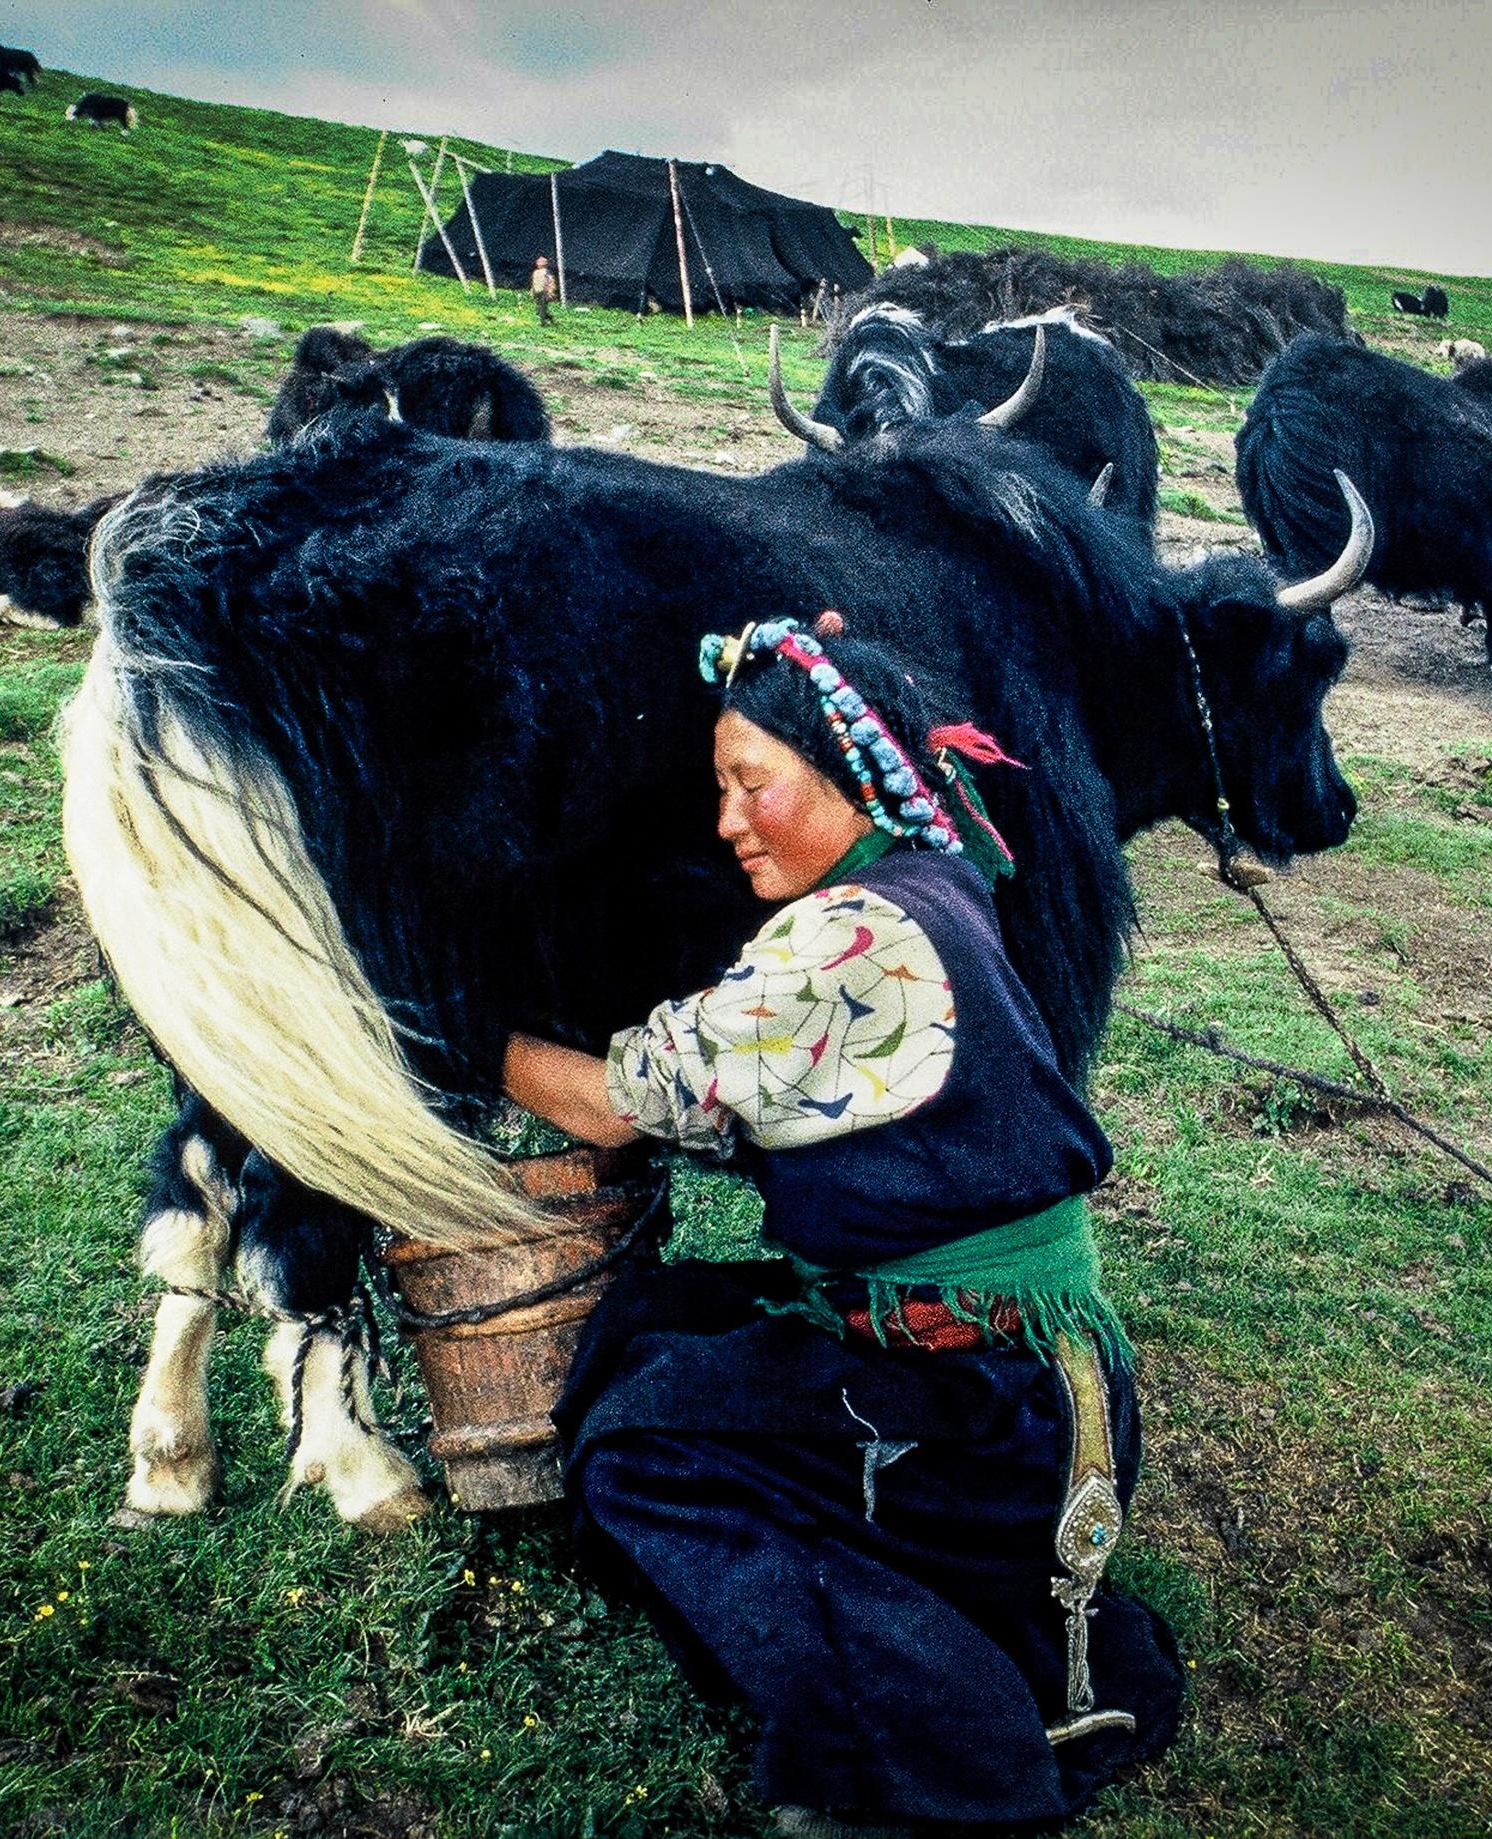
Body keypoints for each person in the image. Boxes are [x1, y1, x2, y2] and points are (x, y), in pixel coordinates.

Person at [503, 615, 1185, 1834]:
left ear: (851, 774)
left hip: (987, 1416)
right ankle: (932, 1591)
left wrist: (456, 1032)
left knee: (638, 1452)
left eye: (751, 783)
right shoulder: (931, 884)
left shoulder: (853, 939)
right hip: (1029, 1377)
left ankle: (929, 1746)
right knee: (660, 1323)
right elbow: (758, 1094)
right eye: (720, 789)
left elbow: (616, 1108)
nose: (727, 823)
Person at [529, 254, 558, 326]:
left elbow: (550, 281)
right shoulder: (535, 272)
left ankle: (542, 323)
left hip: (544, 292)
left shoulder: (546, 272)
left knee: (542, 307)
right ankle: (549, 318)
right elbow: (534, 282)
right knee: (538, 308)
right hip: (537, 291)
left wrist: (550, 291)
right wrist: (532, 290)